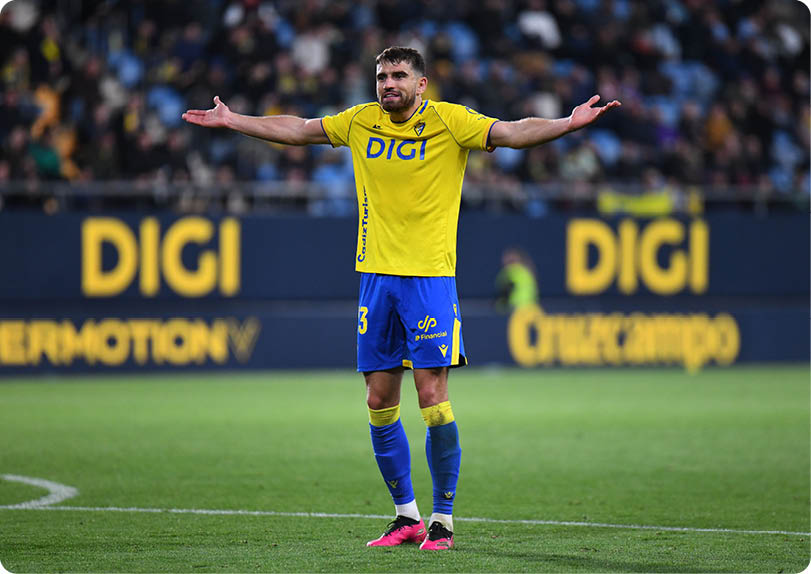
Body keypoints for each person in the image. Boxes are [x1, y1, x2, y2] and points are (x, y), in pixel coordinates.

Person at [182, 46, 620, 551]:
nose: (387, 83)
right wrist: (234, 119)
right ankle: (405, 516)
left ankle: (443, 520)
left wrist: (567, 122)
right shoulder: (360, 122)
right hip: (375, 279)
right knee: (378, 399)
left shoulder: (450, 121)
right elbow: (300, 129)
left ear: (421, 84)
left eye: (398, 76)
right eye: (381, 76)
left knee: (432, 398)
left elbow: (512, 131)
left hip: (429, 279)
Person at [495, 247, 540, 312]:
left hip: (516, 309)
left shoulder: (510, 272)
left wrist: (499, 307)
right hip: (531, 308)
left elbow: (505, 293)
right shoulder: (526, 271)